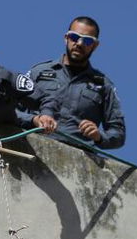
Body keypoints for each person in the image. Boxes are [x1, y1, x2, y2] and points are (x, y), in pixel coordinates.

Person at [24, 17, 125, 149]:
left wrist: (98, 136)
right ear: (66, 38)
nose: (79, 43)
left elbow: (118, 133)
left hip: (78, 158)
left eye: (87, 40)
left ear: (95, 45)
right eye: (74, 37)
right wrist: (35, 120)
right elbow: (13, 110)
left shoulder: (103, 85)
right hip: (34, 148)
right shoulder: (38, 72)